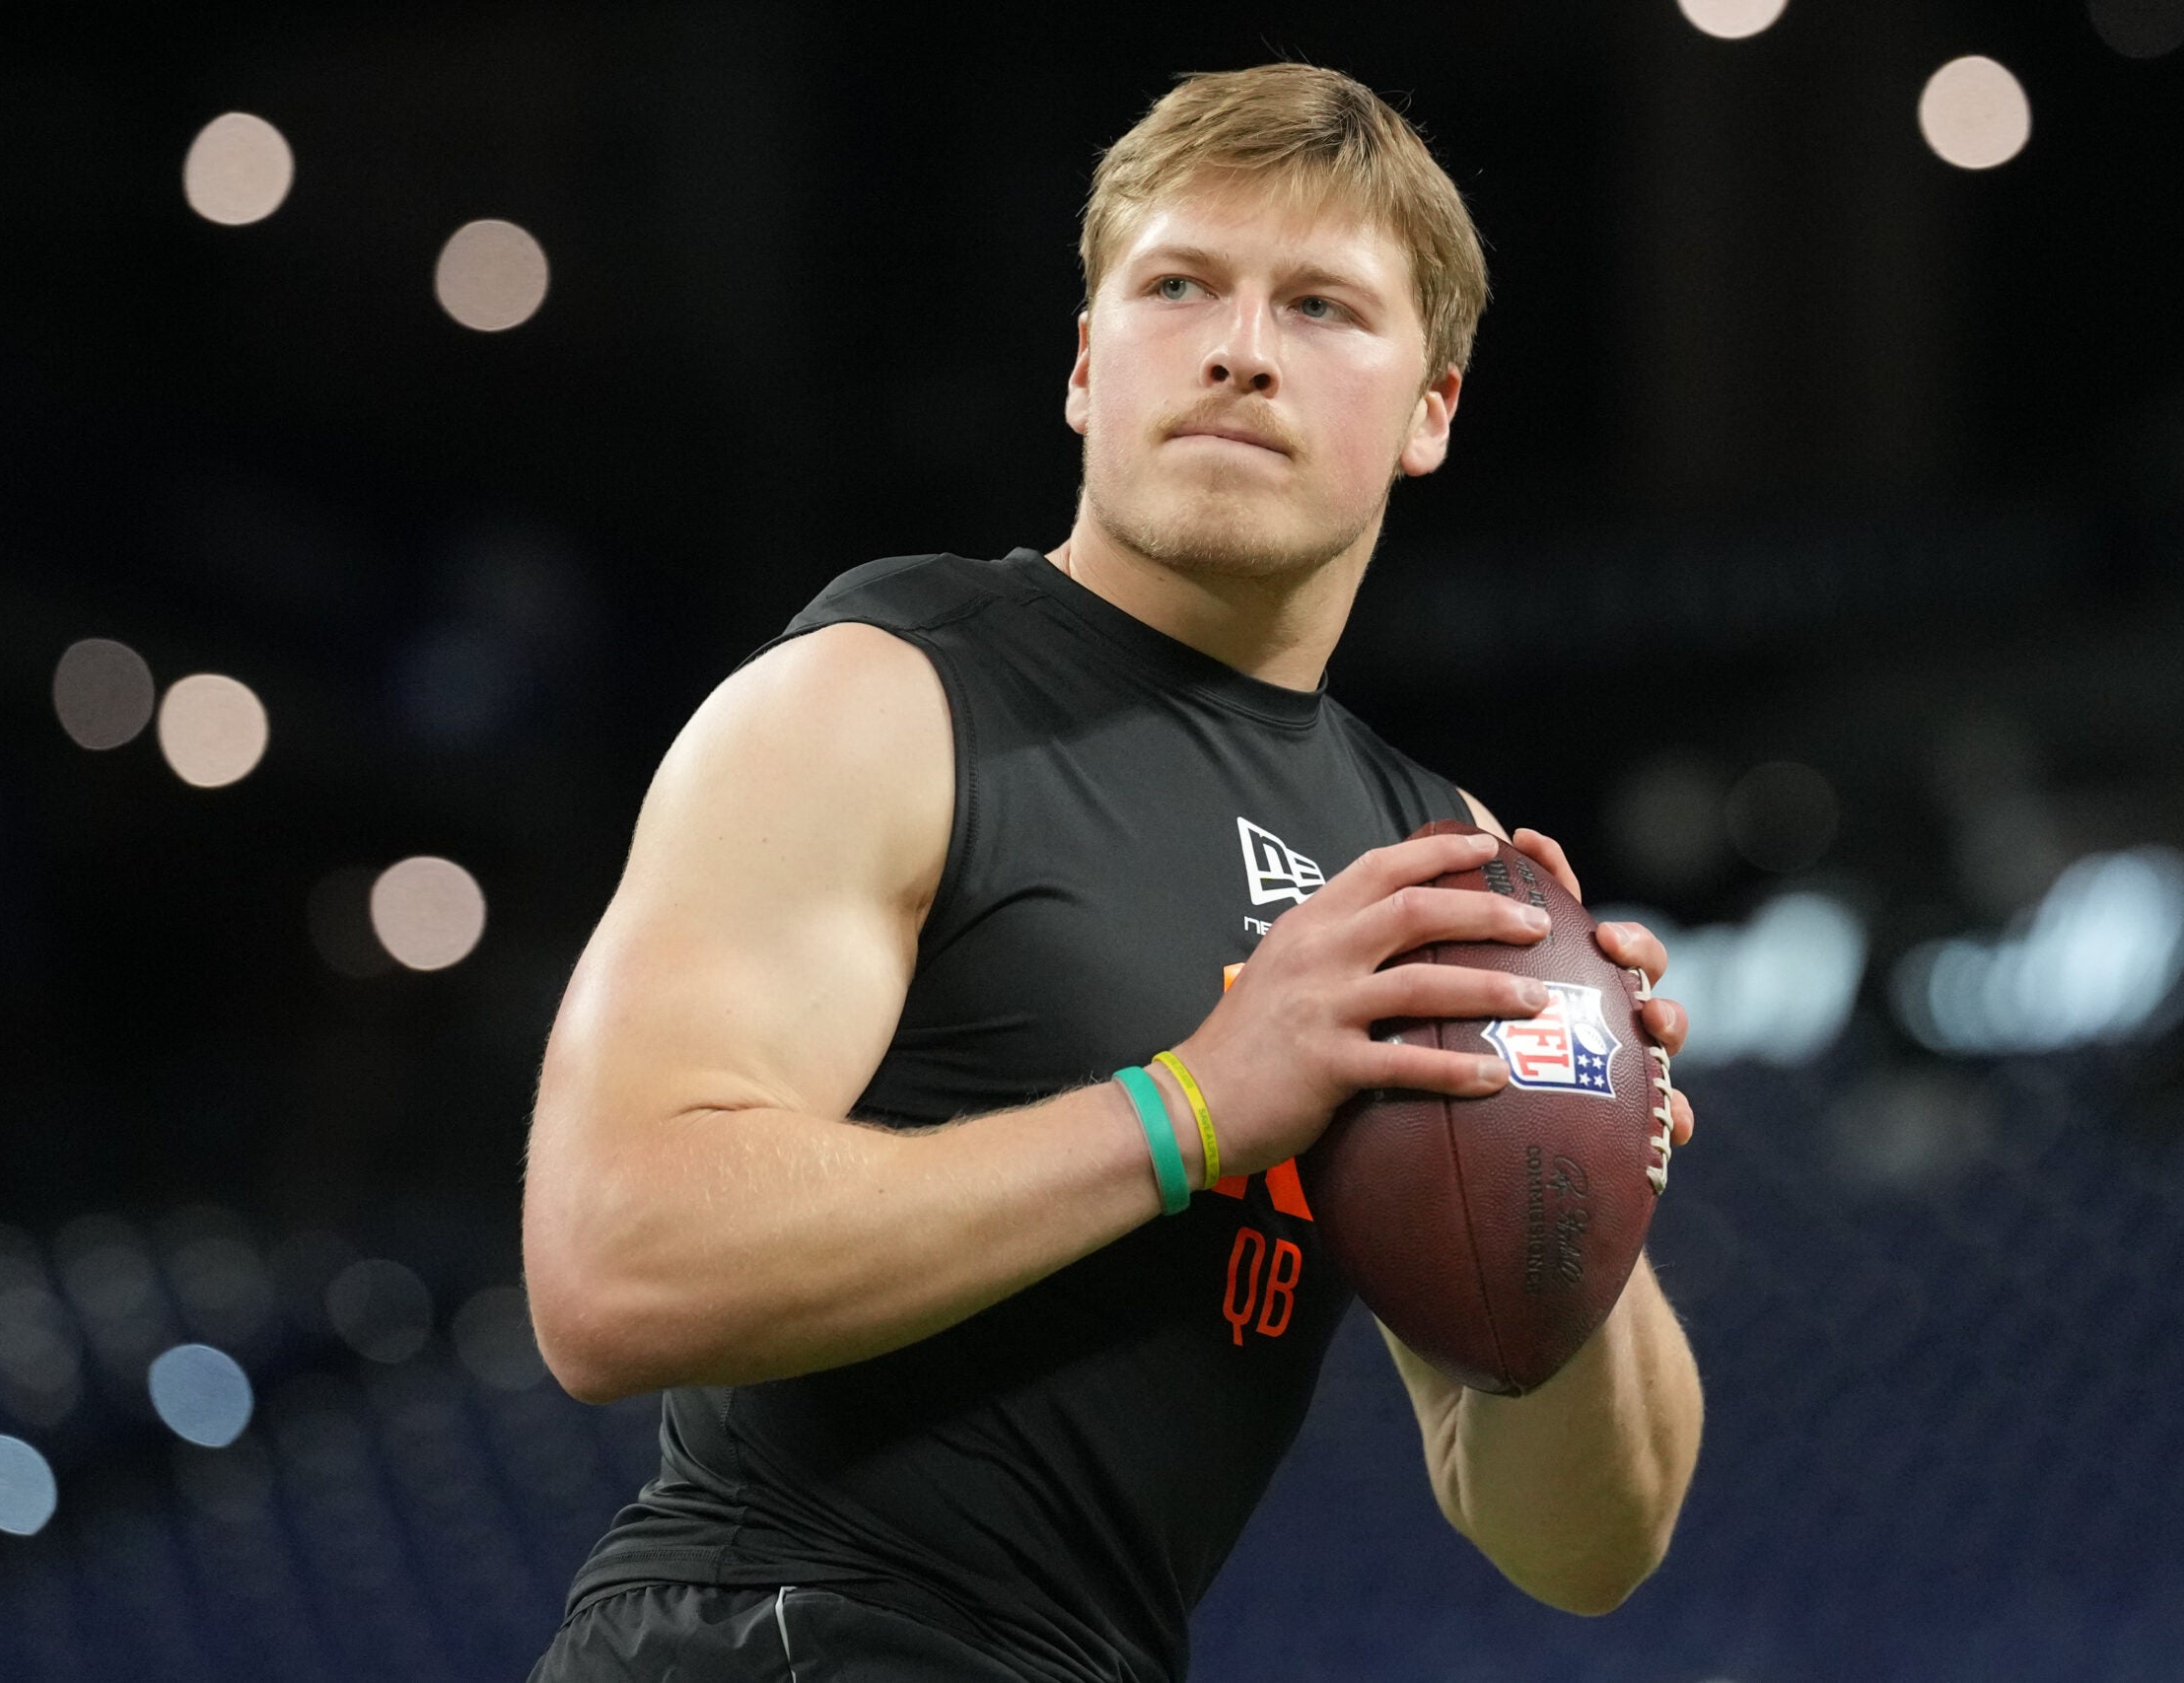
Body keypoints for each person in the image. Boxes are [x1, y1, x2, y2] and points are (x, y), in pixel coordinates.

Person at [521, 61, 1703, 1683]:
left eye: (1321, 308)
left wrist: (1578, 1182)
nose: (1239, 348)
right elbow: (612, 1264)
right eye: (1178, 286)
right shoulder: (880, 697)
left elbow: (1586, 1550)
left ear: (1430, 411)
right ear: (1087, 366)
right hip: (780, 1634)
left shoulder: (1431, 859)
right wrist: (1194, 1108)